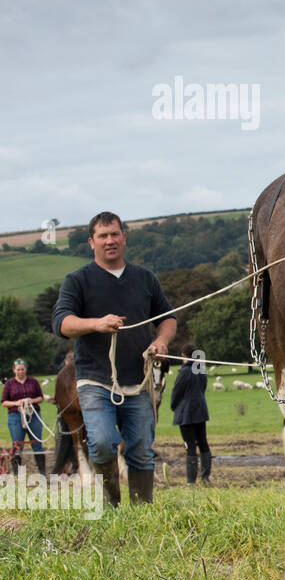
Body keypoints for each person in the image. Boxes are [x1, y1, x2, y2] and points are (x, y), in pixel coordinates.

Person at [51, 212, 175, 507]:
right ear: (91, 242)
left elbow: (167, 318)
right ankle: (111, 505)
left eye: (115, 234)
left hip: (138, 379)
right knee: (104, 442)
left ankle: (142, 511)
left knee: (142, 448)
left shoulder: (145, 278)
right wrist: (95, 323)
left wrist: (161, 340)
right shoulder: (77, 280)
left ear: (124, 238)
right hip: (95, 380)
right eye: (103, 236)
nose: (110, 241)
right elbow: (62, 323)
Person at [169, 343, 212, 485]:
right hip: (200, 410)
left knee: (190, 446)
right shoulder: (201, 370)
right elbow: (203, 388)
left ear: (183, 355)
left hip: (186, 413)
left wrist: (173, 406)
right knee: (203, 443)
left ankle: (190, 481)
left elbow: (177, 392)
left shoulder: (184, 372)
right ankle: (205, 478)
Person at [2, 358, 46, 475]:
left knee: (37, 444)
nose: (21, 372)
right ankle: (17, 475)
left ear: (25, 369)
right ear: (14, 370)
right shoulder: (9, 384)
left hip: (33, 416)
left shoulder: (33, 382)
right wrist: (16, 403)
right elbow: (4, 402)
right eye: (18, 370)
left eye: (22, 369)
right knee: (17, 445)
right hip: (16, 417)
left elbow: (40, 398)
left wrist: (31, 400)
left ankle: (42, 473)